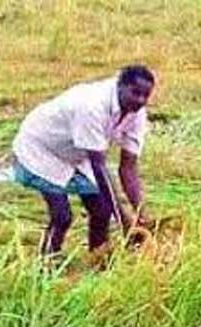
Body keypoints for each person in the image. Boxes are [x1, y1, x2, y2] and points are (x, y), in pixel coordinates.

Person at [11, 65, 154, 259]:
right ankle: (46, 267)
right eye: (135, 93)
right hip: (41, 149)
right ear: (120, 85)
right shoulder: (92, 106)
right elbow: (99, 167)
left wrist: (141, 214)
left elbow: (128, 167)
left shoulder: (137, 112)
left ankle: (99, 260)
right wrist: (123, 220)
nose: (140, 100)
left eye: (146, 96)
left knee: (102, 210)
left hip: (76, 152)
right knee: (62, 216)